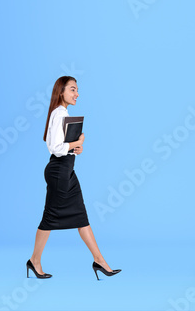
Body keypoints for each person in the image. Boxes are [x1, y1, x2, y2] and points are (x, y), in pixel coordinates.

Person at [26, 76, 121, 280]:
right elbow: (55, 148)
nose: (77, 93)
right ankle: (34, 261)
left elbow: (64, 148)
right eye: (72, 89)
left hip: (67, 170)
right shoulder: (58, 114)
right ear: (61, 92)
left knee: (81, 216)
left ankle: (99, 261)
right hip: (59, 172)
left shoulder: (63, 114)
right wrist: (77, 141)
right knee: (50, 218)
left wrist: (76, 148)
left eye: (77, 90)